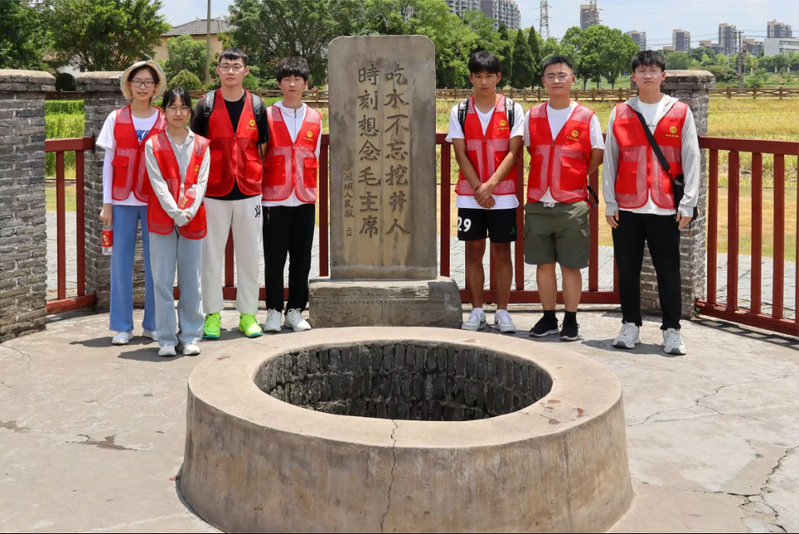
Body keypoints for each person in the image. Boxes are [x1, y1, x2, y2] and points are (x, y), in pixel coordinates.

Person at [603, 50, 700, 355]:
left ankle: (672, 330)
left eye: (653, 70)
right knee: (627, 270)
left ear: (663, 75)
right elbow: (610, 160)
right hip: (627, 205)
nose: (647, 75)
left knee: (668, 270)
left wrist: (688, 203)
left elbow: (692, 158)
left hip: (665, 205)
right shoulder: (620, 112)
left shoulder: (680, 112)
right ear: (633, 77)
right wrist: (610, 202)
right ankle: (630, 325)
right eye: (642, 71)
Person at [524, 56, 604, 341]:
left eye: (562, 75)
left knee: (571, 266)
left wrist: (573, 173)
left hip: (571, 203)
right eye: (550, 76)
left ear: (573, 79)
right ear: (543, 81)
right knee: (543, 265)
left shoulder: (587, 116)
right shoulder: (532, 115)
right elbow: (530, 149)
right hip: (538, 202)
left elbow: (596, 154)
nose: (556, 80)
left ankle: (571, 320)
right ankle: (548, 318)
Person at [190, 48, 269, 339]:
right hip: (213, 191)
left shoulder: (257, 105)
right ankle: (212, 314)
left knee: (249, 256)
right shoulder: (205, 105)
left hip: (249, 191)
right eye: (226, 66)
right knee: (210, 256)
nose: (231, 71)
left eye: (236, 66)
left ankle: (248, 315)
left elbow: (262, 146)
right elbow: (195, 146)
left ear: (246, 71)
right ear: (218, 70)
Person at [446, 51, 524, 333]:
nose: (483, 81)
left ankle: (502, 311)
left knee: (502, 251)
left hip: (503, 195)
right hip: (470, 196)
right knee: (473, 251)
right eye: (478, 76)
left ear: (498, 77)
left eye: (489, 76)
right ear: (471, 78)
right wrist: (480, 189)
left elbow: (514, 152)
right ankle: (477, 310)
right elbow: (460, 153)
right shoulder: (459, 110)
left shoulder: (513, 109)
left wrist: (490, 185)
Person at [96, 60, 166, 346]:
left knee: (156, 264)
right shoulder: (115, 118)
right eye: (138, 81)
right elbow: (108, 164)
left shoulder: (163, 119)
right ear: (129, 85)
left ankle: (153, 324)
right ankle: (122, 326)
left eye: (148, 82)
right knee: (120, 264)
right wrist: (107, 203)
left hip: (154, 201)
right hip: (121, 200)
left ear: (156, 87)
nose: (142, 87)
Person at [144, 87, 210, 357]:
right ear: (164, 111)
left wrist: (189, 211)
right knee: (162, 280)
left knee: (191, 280)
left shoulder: (202, 145)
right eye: (173, 107)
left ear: (190, 111)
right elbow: (157, 183)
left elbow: (202, 182)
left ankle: (191, 335)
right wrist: (175, 212)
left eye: (183, 107)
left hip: (193, 218)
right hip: (162, 218)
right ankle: (167, 339)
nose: (178, 112)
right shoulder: (152, 144)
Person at [261, 57, 321, 333]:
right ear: (279, 84)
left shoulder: (315, 117)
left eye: (298, 79)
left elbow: (314, 154)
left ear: (306, 84)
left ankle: (295, 310)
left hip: (305, 196)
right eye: (287, 79)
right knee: (274, 258)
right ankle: (274, 310)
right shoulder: (267, 114)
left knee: (302, 257)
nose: (292, 84)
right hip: (274, 197)